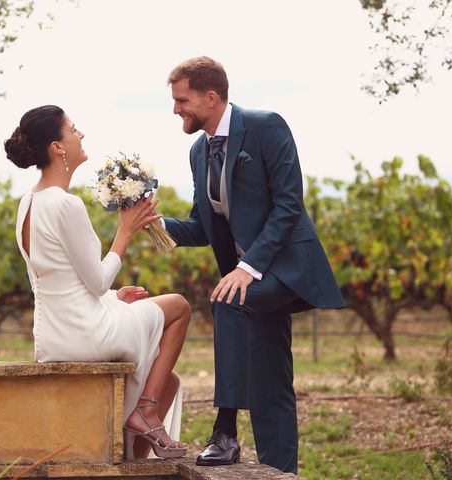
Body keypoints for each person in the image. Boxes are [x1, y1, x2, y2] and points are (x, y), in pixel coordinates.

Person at [163, 57, 345, 473]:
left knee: (228, 300)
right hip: (253, 276)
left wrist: (249, 268)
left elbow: (288, 205)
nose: (176, 110)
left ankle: (225, 430)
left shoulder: (266, 127)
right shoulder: (199, 151)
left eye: (181, 100)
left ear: (211, 97)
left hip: (287, 265)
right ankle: (281, 472)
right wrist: (153, 225)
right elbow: (202, 226)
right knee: (272, 383)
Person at [4, 105, 189, 460]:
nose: (80, 134)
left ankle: (134, 444)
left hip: (52, 335)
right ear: (58, 148)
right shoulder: (65, 205)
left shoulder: (28, 203)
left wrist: (116, 297)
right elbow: (97, 281)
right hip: (86, 333)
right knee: (178, 307)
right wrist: (126, 230)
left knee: (170, 377)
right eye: (73, 129)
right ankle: (146, 413)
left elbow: (63, 279)